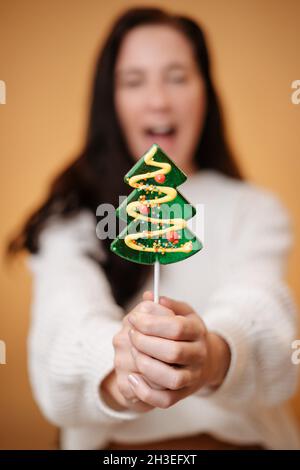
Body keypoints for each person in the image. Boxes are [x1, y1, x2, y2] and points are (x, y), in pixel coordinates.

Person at [8, 7, 300, 450]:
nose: (158, 100)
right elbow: (61, 329)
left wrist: (211, 354)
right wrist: (120, 368)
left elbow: (265, 312)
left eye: (178, 76)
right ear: (112, 101)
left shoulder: (252, 209)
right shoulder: (72, 218)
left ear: (206, 91)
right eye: (134, 81)